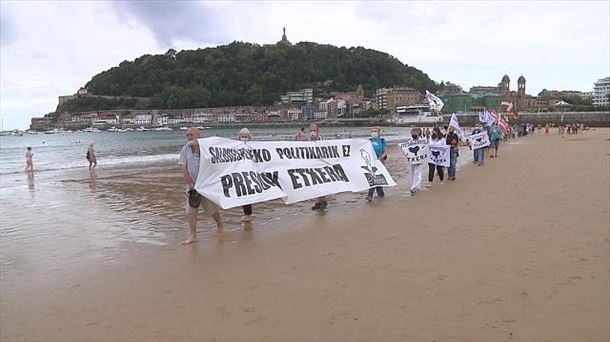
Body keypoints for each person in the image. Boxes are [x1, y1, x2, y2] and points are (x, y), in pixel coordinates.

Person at [179, 127, 224, 245]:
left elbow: (214, 165)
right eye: (187, 135)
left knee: (211, 209)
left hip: (206, 184)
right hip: (192, 185)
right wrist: (190, 183)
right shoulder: (185, 149)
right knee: (190, 211)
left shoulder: (207, 148)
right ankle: (193, 235)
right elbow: (184, 167)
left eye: (191, 135)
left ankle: (220, 226)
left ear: (199, 135)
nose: (189, 138)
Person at [309, 124, 328, 210]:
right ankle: (318, 202)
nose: (311, 131)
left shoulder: (320, 139)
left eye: (313, 129)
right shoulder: (311, 139)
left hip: (320, 164)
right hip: (313, 163)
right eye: (310, 129)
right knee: (315, 184)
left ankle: (323, 201)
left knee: (320, 183)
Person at [366, 126, 387, 201]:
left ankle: (370, 195)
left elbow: (385, 151)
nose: (373, 133)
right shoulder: (369, 141)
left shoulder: (382, 141)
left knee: (375, 177)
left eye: (375, 131)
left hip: (379, 162)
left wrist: (382, 157)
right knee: (374, 177)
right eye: (372, 131)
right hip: (371, 162)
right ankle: (380, 193)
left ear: (378, 133)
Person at [238, 128, 254, 222]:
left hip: (250, 173)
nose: (244, 138)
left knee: (247, 194)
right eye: (242, 136)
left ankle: (248, 214)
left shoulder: (253, 146)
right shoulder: (235, 147)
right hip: (240, 173)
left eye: (246, 136)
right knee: (243, 194)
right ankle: (247, 213)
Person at [409, 127, 425, 195]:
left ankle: (413, 187)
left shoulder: (422, 141)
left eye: (415, 132)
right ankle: (417, 186)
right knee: (413, 173)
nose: (414, 134)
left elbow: (425, 149)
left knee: (417, 173)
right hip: (412, 160)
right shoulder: (410, 141)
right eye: (413, 132)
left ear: (418, 133)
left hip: (420, 159)